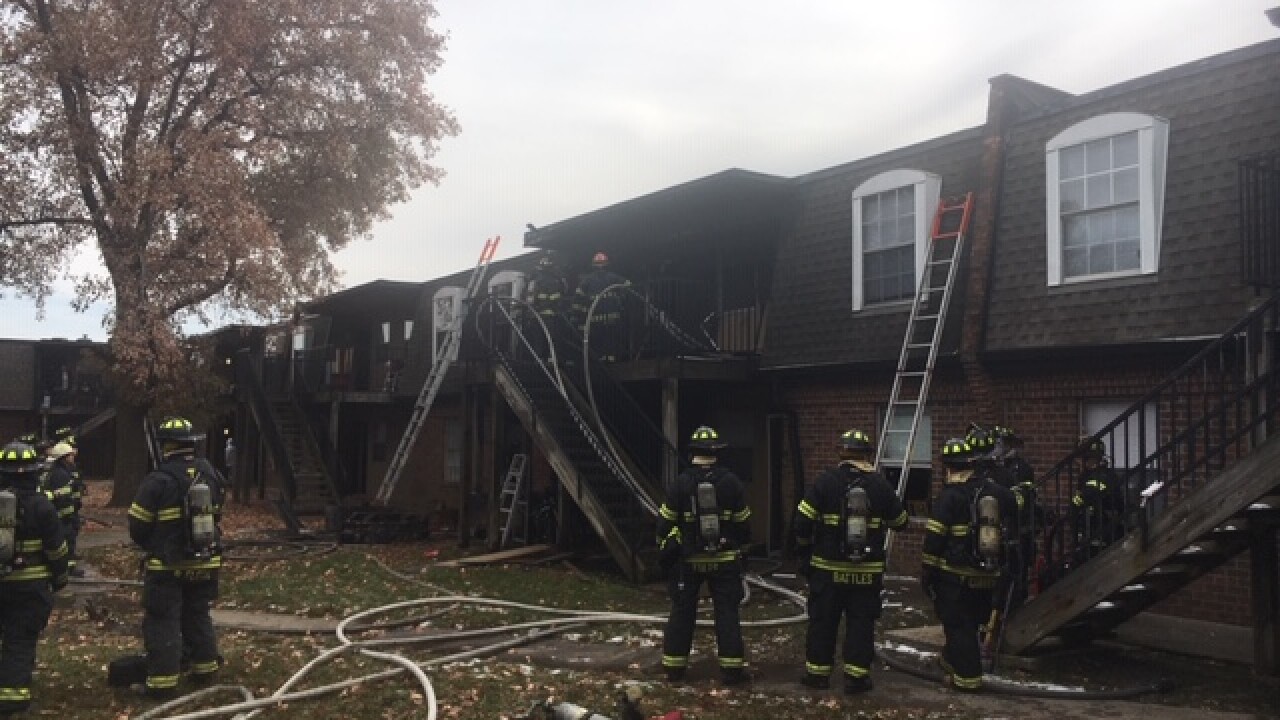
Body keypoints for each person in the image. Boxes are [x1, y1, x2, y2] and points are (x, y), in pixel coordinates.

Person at [793, 429, 907, 694]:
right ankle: (856, 678)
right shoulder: (880, 485)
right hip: (866, 572)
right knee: (861, 623)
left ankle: (817, 675)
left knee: (823, 621)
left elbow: (801, 522)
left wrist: (805, 554)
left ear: (842, 453)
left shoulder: (825, 482)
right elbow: (901, 522)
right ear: (867, 454)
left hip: (826, 570)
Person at [128, 417, 226, 697]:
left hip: (168, 565)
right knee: (197, 614)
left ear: (166, 446)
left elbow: (138, 525)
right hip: (206, 560)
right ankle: (205, 670)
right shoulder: (210, 473)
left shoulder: (158, 479)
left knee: (163, 620)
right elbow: (218, 512)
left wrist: (154, 544)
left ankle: (162, 684)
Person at [656, 425, 751, 686]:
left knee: (682, 612)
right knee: (727, 613)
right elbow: (743, 525)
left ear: (692, 453)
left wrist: (667, 552)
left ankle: (674, 669)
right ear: (717, 452)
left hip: (687, 562)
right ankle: (732, 671)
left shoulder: (680, 483)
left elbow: (664, 524)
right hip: (724, 561)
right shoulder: (731, 483)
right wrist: (740, 550)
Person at [920, 437, 1017, 692]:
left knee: (958, 625)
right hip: (987, 574)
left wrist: (927, 572)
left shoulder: (949, 497)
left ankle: (967, 680)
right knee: (972, 624)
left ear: (948, 467)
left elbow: (934, 539)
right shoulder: (994, 492)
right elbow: (1015, 506)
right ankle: (950, 662)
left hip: (955, 577)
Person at [0, 441, 69, 716]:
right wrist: (60, 577)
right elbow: (57, 549)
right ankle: (13, 697)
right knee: (20, 639)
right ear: (33, 472)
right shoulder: (42, 506)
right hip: (30, 588)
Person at [1070, 437, 1124, 562]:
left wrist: (1075, 504)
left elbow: (1087, 496)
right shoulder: (1087, 477)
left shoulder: (1104, 476)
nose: (1079, 463)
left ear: (1090, 459)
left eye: (1081, 459)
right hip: (1089, 535)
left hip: (1103, 536)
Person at [572, 251, 631, 361]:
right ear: (607, 264)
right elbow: (628, 285)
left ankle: (601, 357)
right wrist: (621, 295)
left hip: (595, 317)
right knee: (612, 337)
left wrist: (578, 317)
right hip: (612, 315)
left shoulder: (587, 281)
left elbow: (578, 299)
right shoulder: (613, 278)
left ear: (593, 265)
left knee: (599, 338)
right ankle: (611, 356)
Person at [43, 442, 84, 577]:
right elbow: (61, 497)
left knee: (69, 541)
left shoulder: (63, 471)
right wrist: (68, 514)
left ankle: (69, 567)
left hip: (66, 515)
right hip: (63, 516)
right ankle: (67, 569)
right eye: (70, 455)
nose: (73, 457)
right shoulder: (60, 474)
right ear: (64, 457)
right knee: (66, 541)